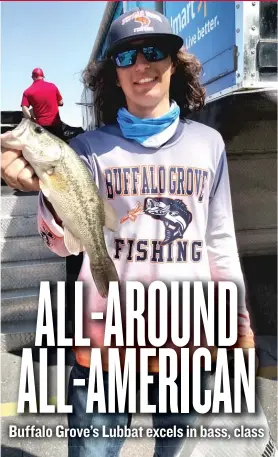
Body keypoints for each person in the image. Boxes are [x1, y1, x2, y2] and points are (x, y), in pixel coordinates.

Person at [1, 8, 255, 457]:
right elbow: (60, 241)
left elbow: (220, 243)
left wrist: (238, 322)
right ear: (113, 76)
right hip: (104, 340)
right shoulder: (84, 150)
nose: (141, 65)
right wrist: (37, 186)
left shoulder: (209, 144)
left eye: (154, 51)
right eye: (125, 57)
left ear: (173, 63)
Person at [21, 67, 64, 139]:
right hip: (55, 124)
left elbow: (24, 108)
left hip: (41, 127)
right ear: (43, 76)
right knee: (59, 148)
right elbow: (61, 102)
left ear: (32, 77)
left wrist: (32, 120)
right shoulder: (52, 86)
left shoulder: (27, 91)